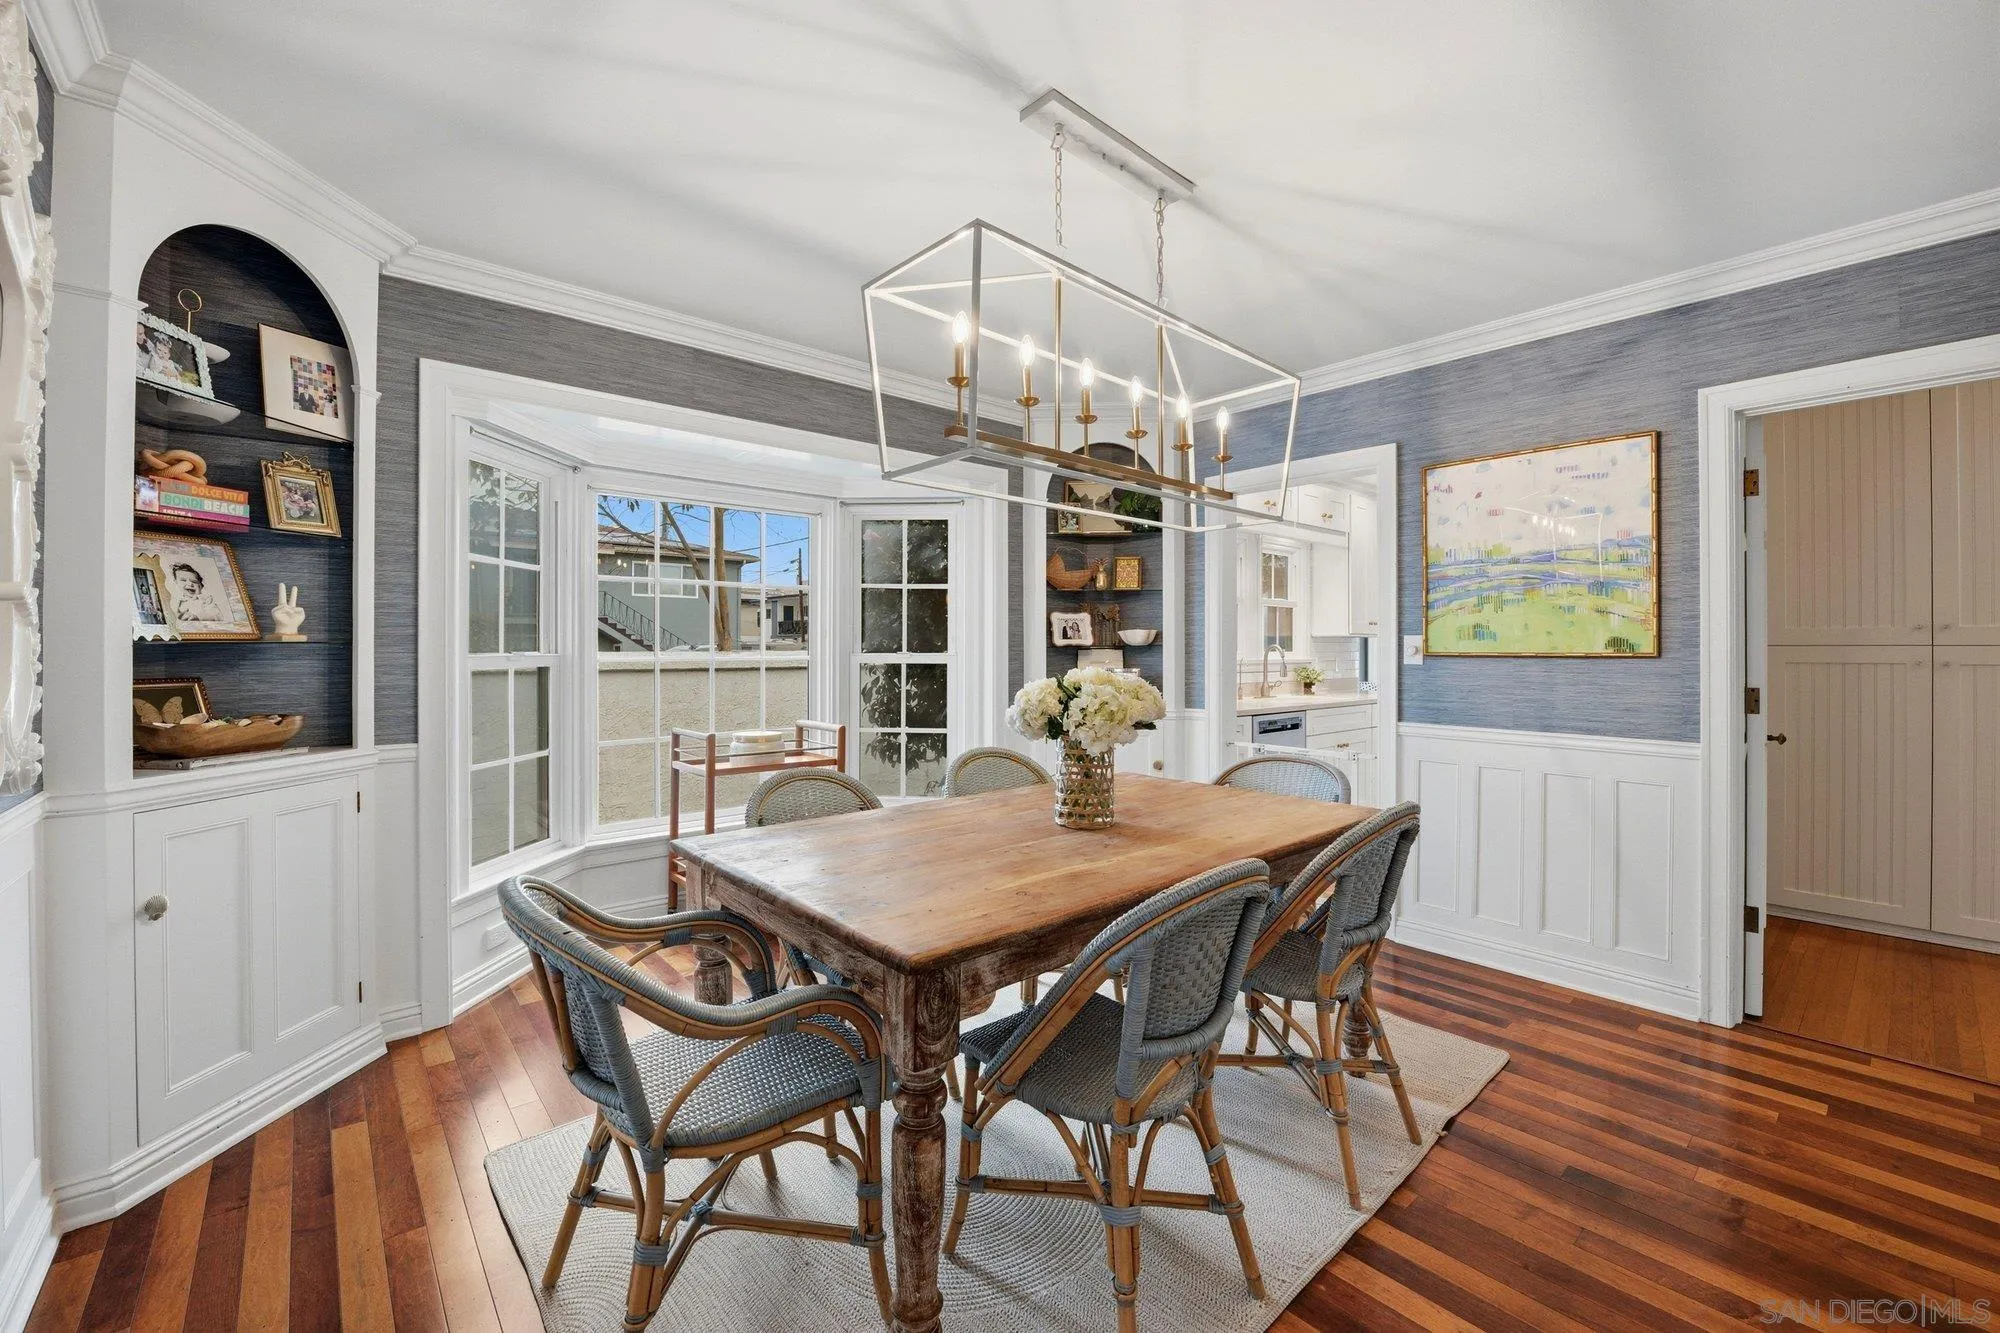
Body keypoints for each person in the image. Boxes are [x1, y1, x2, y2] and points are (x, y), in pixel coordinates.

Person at [169, 561, 226, 625]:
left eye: (194, 581)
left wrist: (199, 617)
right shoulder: (174, 600)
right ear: (175, 583)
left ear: (201, 586)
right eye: (183, 580)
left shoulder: (205, 600)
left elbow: (217, 616)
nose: (190, 584)